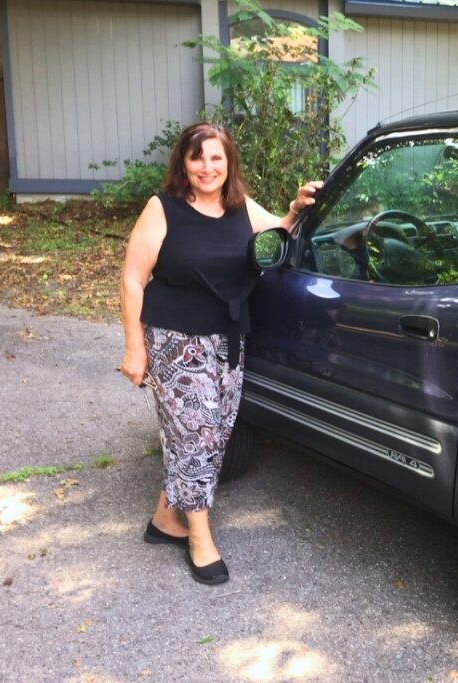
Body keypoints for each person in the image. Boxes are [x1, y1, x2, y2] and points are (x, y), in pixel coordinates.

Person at [118, 122, 320, 585]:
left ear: (229, 164)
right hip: (174, 340)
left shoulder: (238, 207)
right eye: (197, 158)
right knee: (199, 435)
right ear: (182, 164)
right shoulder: (163, 208)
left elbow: (279, 235)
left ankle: (165, 519)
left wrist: (296, 208)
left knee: (217, 430)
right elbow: (133, 276)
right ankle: (199, 538)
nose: (206, 168)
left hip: (228, 338)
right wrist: (134, 347)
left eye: (216, 158)